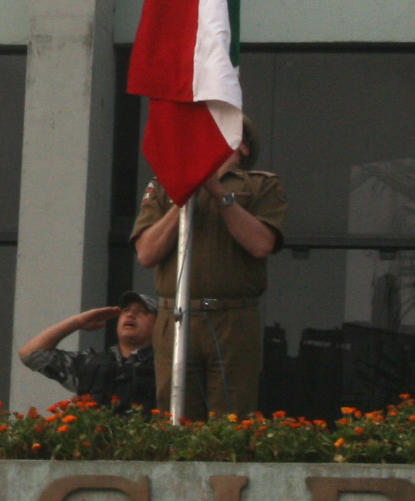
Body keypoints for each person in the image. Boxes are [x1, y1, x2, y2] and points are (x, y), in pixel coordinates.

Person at [130, 117, 286, 417]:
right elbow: (147, 254)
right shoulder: (164, 185)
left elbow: (261, 244)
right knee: (175, 412)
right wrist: (182, 196)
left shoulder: (260, 184)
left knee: (231, 414)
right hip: (176, 314)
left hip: (233, 318)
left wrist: (218, 194)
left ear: (242, 146)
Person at [17, 291, 158, 412]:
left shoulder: (166, 366)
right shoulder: (92, 363)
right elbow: (30, 353)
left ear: (159, 324)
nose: (130, 315)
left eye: (141, 311)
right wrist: (77, 322)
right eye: (125, 310)